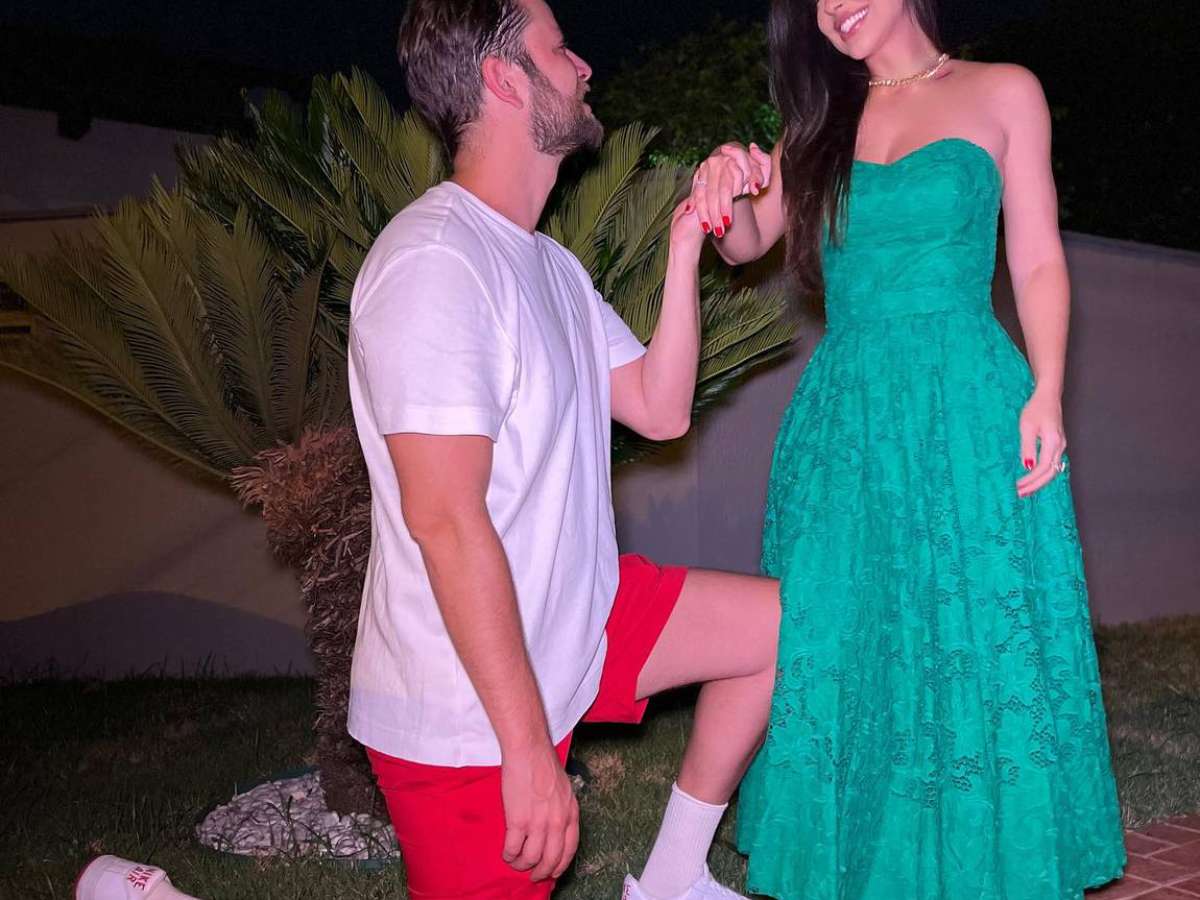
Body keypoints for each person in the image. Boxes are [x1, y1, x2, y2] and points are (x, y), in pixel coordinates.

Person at [686, 0, 1126, 897]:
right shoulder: (816, 124)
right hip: (847, 424)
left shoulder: (1005, 91)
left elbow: (1036, 256)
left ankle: (979, 859)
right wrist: (724, 185)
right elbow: (747, 243)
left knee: (971, 634)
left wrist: (1047, 388)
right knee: (841, 635)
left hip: (968, 404)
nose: (833, 6)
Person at [346, 1, 779, 897]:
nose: (585, 66)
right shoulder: (437, 262)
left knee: (795, 626)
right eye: (560, 50)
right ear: (504, 80)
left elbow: (660, 407)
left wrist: (684, 247)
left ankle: (673, 878)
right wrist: (526, 750)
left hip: (576, 623)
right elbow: (445, 520)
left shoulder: (550, 268)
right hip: (466, 714)